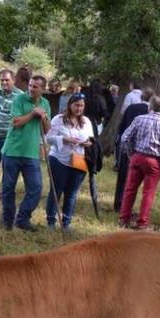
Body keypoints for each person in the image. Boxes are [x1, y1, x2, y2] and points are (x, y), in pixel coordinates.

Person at [0, 75, 51, 231]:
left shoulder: (45, 103)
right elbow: (16, 123)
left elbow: (47, 129)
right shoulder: (19, 99)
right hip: (12, 151)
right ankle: (7, 220)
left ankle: (22, 219)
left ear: (42, 89)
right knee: (8, 187)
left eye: (35, 87)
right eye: (30, 85)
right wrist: (32, 113)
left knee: (36, 188)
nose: (31, 88)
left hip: (31, 153)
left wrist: (42, 116)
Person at [118, 95, 160, 230]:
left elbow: (125, 138)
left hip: (137, 156)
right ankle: (142, 222)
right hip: (154, 160)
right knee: (148, 192)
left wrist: (130, 152)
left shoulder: (139, 119)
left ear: (149, 107)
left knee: (130, 189)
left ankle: (123, 218)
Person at [45, 93, 94, 230]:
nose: (79, 108)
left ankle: (66, 222)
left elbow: (91, 140)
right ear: (70, 105)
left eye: (81, 105)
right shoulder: (58, 119)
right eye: (76, 105)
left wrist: (87, 143)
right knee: (56, 190)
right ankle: (51, 220)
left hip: (79, 160)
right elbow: (48, 138)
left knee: (72, 193)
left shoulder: (86, 121)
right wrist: (64, 139)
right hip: (59, 159)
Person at [113, 87, 153, 212]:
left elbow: (122, 127)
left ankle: (118, 203)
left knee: (123, 176)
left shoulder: (131, 108)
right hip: (143, 148)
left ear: (141, 97)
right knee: (137, 180)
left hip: (127, 145)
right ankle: (129, 206)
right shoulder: (151, 112)